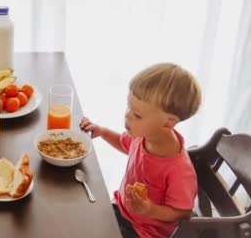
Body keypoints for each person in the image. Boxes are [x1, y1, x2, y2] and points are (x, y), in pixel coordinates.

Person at [79, 63, 201, 238]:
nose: (127, 115)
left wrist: (151, 210)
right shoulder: (142, 136)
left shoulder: (179, 170)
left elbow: (182, 212)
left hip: (143, 232)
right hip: (120, 210)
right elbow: (123, 143)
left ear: (168, 123)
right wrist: (103, 132)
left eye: (137, 115)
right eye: (129, 106)